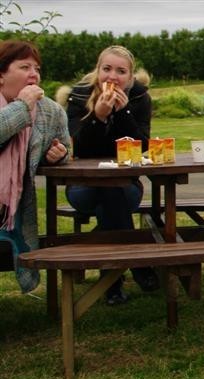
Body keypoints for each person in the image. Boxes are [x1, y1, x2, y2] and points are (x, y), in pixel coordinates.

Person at [61, 45, 158, 305]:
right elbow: (78, 148)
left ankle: (113, 285)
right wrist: (98, 117)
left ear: (130, 77)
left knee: (111, 195)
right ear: (98, 70)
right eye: (107, 69)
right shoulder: (78, 96)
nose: (112, 76)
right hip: (82, 187)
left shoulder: (139, 98)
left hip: (126, 186)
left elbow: (142, 146)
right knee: (108, 192)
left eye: (121, 71)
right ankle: (137, 263)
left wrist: (123, 114)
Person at [0, 40, 70, 293]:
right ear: (1, 75)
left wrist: (58, 155)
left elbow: (65, 145)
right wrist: (21, 107)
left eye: (37, 68)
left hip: (13, 213)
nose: (34, 74)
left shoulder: (49, 112)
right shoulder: (23, 107)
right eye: (24, 67)